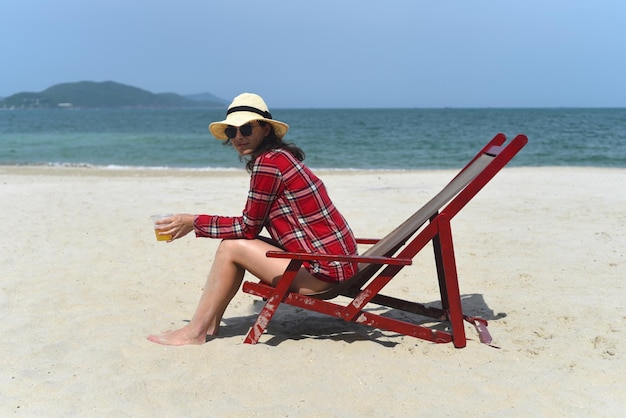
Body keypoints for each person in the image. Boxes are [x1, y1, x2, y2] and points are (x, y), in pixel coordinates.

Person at [147, 93, 358, 345]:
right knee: (234, 244)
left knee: (231, 247)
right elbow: (252, 226)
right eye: (231, 132)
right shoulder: (280, 157)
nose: (238, 137)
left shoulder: (268, 165)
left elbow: (247, 228)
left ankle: (195, 331)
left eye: (246, 128)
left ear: (265, 129)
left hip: (324, 273)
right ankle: (209, 324)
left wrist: (194, 221)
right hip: (336, 262)